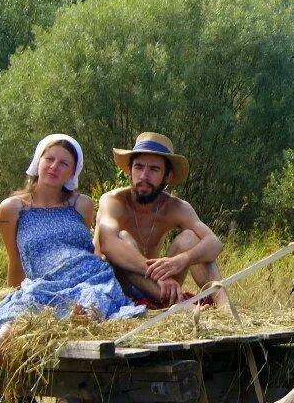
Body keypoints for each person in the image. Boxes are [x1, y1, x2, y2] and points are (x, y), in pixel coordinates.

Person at [0, 134, 143, 366]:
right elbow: (15, 259)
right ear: (37, 162)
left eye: (64, 163)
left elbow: (83, 247)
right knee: (30, 303)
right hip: (46, 279)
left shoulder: (81, 205)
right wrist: (12, 292)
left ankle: (82, 321)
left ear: (72, 173)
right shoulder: (12, 209)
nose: (54, 167)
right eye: (49, 159)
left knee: (90, 298)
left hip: (88, 272)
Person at [94, 132, 228, 309]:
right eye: (139, 167)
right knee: (123, 237)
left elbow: (214, 243)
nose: (143, 176)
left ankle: (225, 308)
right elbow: (108, 245)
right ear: (129, 171)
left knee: (191, 238)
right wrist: (156, 274)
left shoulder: (176, 207)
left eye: (154, 169)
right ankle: (181, 306)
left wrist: (181, 260)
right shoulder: (113, 201)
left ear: (167, 177)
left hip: (160, 287)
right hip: (119, 285)